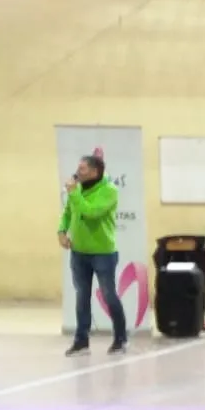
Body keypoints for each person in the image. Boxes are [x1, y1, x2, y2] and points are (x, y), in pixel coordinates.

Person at [59, 152, 128, 356]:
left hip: (103, 253)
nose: (77, 172)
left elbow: (90, 212)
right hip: (79, 252)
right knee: (82, 296)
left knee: (109, 295)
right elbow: (68, 212)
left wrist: (74, 193)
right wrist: (61, 231)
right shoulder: (77, 190)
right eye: (78, 168)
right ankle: (81, 341)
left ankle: (120, 338)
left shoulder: (109, 190)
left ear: (95, 172)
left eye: (82, 169)